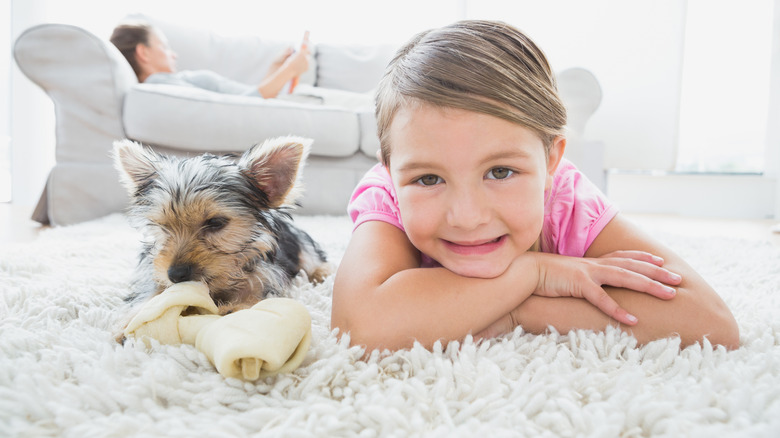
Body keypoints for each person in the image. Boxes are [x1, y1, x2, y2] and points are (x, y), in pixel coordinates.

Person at [331, 20, 739, 353]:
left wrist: (519, 312)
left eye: (501, 172)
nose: (468, 217)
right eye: (429, 179)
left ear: (550, 162)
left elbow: (711, 324)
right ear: (390, 171)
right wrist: (535, 273)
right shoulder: (388, 195)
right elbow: (357, 327)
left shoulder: (565, 201)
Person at [110, 21, 310, 99]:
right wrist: (289, 70)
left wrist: (277, 68)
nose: (174, 54)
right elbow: (243, 106)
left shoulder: (171, 83)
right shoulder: (158, 84)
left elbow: (250, 100)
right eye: (164, 46)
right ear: (143, 53)